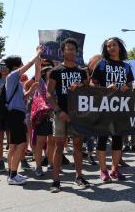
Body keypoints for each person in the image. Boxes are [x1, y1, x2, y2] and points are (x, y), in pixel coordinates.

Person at [47, 38, 89, 192]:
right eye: (68, 49)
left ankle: (79, 176)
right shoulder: (56, 71)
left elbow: (89, 89)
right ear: (62, 51)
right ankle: (56, 180)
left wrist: (81, 84)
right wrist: (58, 111)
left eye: (73, 49)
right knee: (59, 146)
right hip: (61, 114)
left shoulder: (82, 72)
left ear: (76, 52)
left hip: (78, 115)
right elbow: (49, 94)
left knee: (78, 145)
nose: (71, 51)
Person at [91, 37, 134, 182]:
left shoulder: (126, 66)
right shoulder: (101, 64)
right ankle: (103, 171)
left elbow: (131, 86)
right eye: (108, 46)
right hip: (103, 107)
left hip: (120, 108)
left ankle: (115, 169)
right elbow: (92, 85)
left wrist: (127, 87)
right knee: (102, 140)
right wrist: (105, 89)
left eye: (114, 45)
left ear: (119, 47)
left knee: (117, 140)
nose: (111, 48)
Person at [4, 50, 41, 185]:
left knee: (13, 145)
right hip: (15, 114)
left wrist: (30, 91)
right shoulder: (13, 75)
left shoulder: (16, 82)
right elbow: (31, 64)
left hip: (16, 114)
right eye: (21, 63)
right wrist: (37, 54)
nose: (24, 64)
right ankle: (13, 175)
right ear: (17, 65)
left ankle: (12, 173)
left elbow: (22, 98)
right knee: (22, 144)